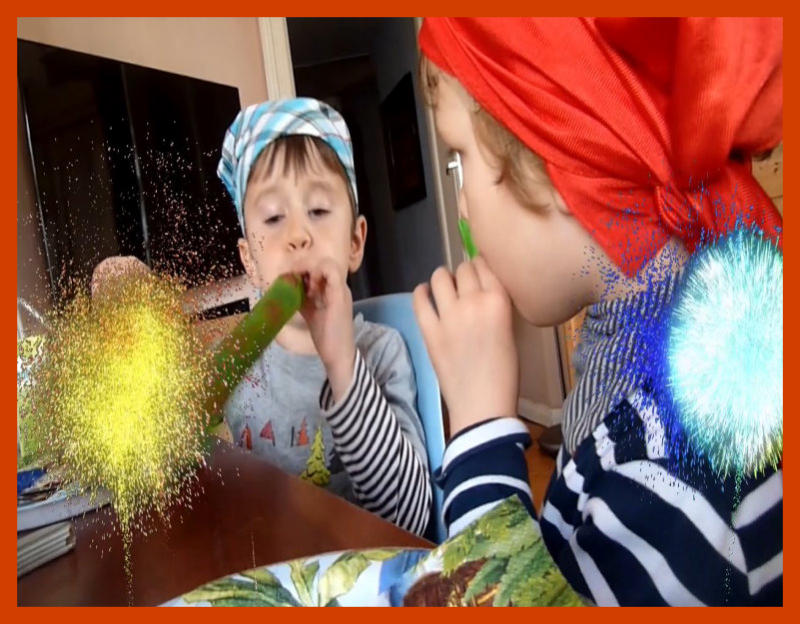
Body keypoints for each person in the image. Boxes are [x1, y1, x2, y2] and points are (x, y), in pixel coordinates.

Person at [413, 18, 782, 604]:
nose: (461, 207)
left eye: (460, 158)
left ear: (557, 160)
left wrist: (480, 431)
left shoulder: (676, 456)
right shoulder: (644, 367)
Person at [216, 98, 431, 535]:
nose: (298, 235)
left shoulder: (381, 352)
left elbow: (411, 519)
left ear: (355, 242)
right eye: (273, 217)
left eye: (317, 211)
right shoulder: (237, 363)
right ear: (250, 260)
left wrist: (343, 368)